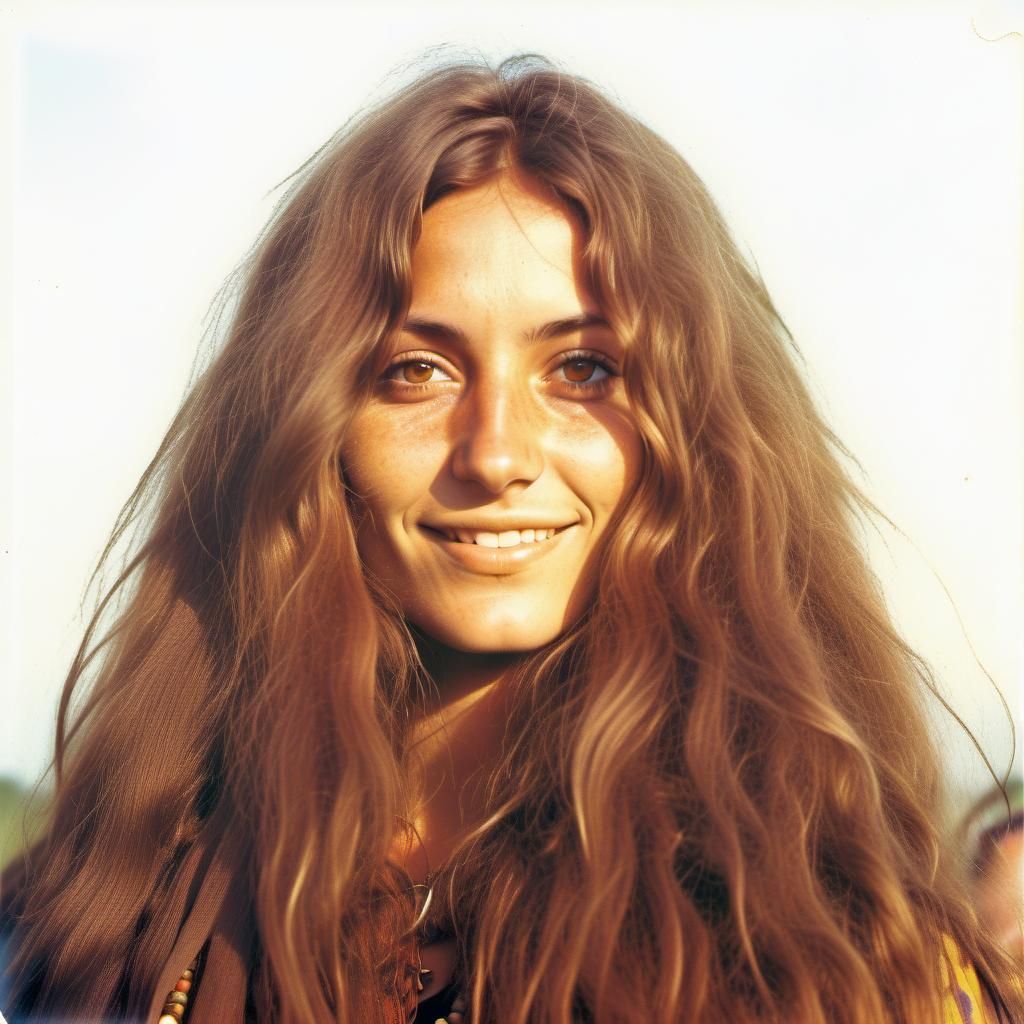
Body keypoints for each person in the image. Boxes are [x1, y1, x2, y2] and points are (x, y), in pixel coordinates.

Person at [0, 51, 1020, 1024]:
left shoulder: (845, 968)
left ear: (704, 437)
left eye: (582, 370)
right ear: (307, 434)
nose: (494, 454)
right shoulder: (77, 946)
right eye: (414, 370)